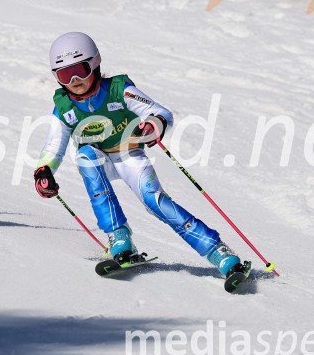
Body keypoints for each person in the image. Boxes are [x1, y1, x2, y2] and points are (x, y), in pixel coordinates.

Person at [33, 32, 251, 281]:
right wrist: (44, 171)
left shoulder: (118, 90)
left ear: (94, 63)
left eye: (80, 70)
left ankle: (220, 254)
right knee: (85, 155)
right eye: (64, 75)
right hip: (98, 160)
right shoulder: (64, 108)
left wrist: (153, 125)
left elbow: (160, 112)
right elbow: (53, 146)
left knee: (156, 203)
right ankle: (120, 240)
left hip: (129, 156)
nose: (74, 80)